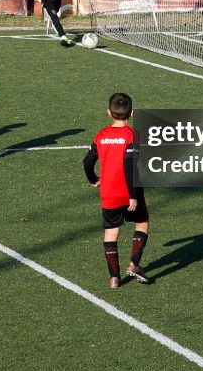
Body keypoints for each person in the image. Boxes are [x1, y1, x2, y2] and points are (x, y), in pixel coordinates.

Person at [82, 92, 153, 288]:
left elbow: (87, 161)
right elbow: (131, 167)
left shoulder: (102, 135)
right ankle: (133, 264)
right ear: (131, 113)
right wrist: (132, 195)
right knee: (142, 222)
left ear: (108, 112)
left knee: (111, 232)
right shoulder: (132, 135)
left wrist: (93, 179)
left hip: (109, 192)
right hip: (130, 191)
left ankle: (114, 278)